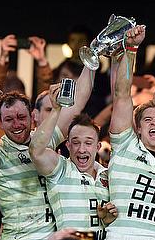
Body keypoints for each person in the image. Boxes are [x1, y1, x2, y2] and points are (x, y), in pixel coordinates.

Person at [0, 54, 96, 239]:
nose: (16, 124)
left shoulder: (42, 141)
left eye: (21, 117)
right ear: (0, 123)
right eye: (9, 119)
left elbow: (78, 101)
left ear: (32, 117)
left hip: (52, 236)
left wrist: (91, 60)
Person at [106, 25, 155, 240]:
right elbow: (122, 94)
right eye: (147, 120)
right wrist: (131, 49)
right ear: (137, 128)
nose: (154, 124)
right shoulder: (124, 144)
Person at [30, 84, 118, 238]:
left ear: (98, 146)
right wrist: (56, 110)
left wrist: (106, 220)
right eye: (76, 143)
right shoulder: (60, 169)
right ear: (68, 145)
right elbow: (36, 151)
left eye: (88, 143)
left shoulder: (108, 175)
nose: (82, 149)